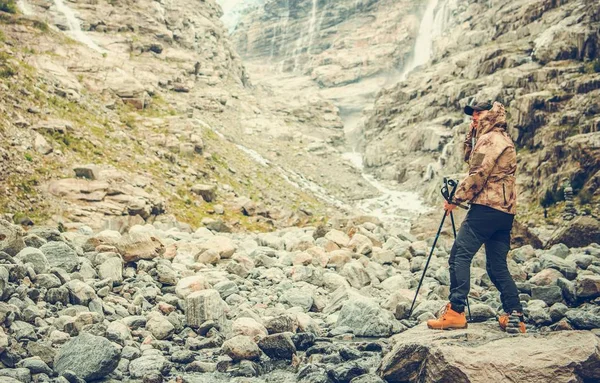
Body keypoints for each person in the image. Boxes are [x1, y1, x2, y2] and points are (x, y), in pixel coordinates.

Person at [426, 101, 526, 333]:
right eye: (472, 115)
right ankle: (515, 315)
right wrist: (473, 132)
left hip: (486, 209)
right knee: (497, 265)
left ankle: (456, 313)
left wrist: (455, 199)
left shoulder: (490, 139)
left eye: (479, 114)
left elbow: (477, 174)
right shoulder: (501, 137)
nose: (474, 117)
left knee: (459, 256)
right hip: (504, 213)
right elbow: (471, 160)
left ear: (491, 115)